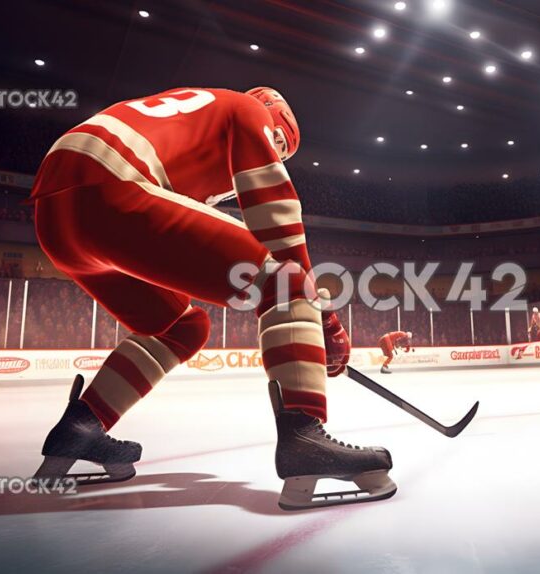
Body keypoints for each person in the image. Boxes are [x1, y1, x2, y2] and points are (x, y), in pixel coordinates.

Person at [29, 87, 394, 510]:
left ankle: (82, 427)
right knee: (286, 283)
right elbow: (276, 216)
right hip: (110, 181)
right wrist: (324, 320)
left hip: (55, 219)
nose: (277, 156)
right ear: (274, 124)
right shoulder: (247, 109)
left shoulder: (196, 131)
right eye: (280, 146)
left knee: (182, 327)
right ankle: (304, 439)